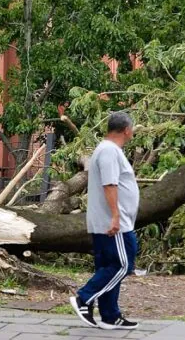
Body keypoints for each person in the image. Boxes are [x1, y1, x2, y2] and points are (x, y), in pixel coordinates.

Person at [70, 111, 139, 330]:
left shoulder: (107, 149)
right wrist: (116, 216)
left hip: (107, 221)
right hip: (114, 223)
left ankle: (110, 315)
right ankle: (84, 297)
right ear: (127, 130)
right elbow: (110, 184)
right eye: (133, 128)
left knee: (109, 266)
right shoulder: (109, 151)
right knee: (123, 264)